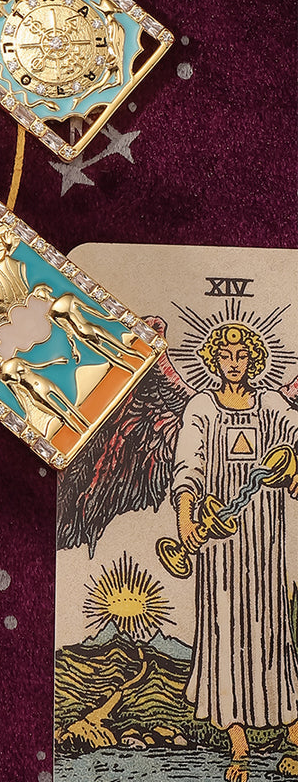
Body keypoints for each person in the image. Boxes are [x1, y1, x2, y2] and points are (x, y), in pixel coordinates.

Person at [170, 324, 298, 781]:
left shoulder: (274, 406)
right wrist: (187, 522)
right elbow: (188, 469)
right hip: (219, 549)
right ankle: (238, 746)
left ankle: (294, 735)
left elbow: (294, 448)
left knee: (270, 630)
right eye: (225, 356)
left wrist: (290, 469)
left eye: (242, 355)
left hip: (265, 543)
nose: (234, 363)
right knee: (224, 632)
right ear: (214, 360)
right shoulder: (201, 408)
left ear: (254, 359)